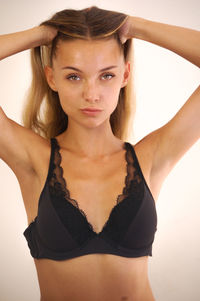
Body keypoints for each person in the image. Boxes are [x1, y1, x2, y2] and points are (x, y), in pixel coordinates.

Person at [0, 5, 199, 301]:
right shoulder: (32, 159)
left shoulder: (151, 158)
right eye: (74, 76)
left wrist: (135, 27)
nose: (91, 94)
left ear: (125, 74)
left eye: (106, 75)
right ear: (51, 78)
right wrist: (42, 35)